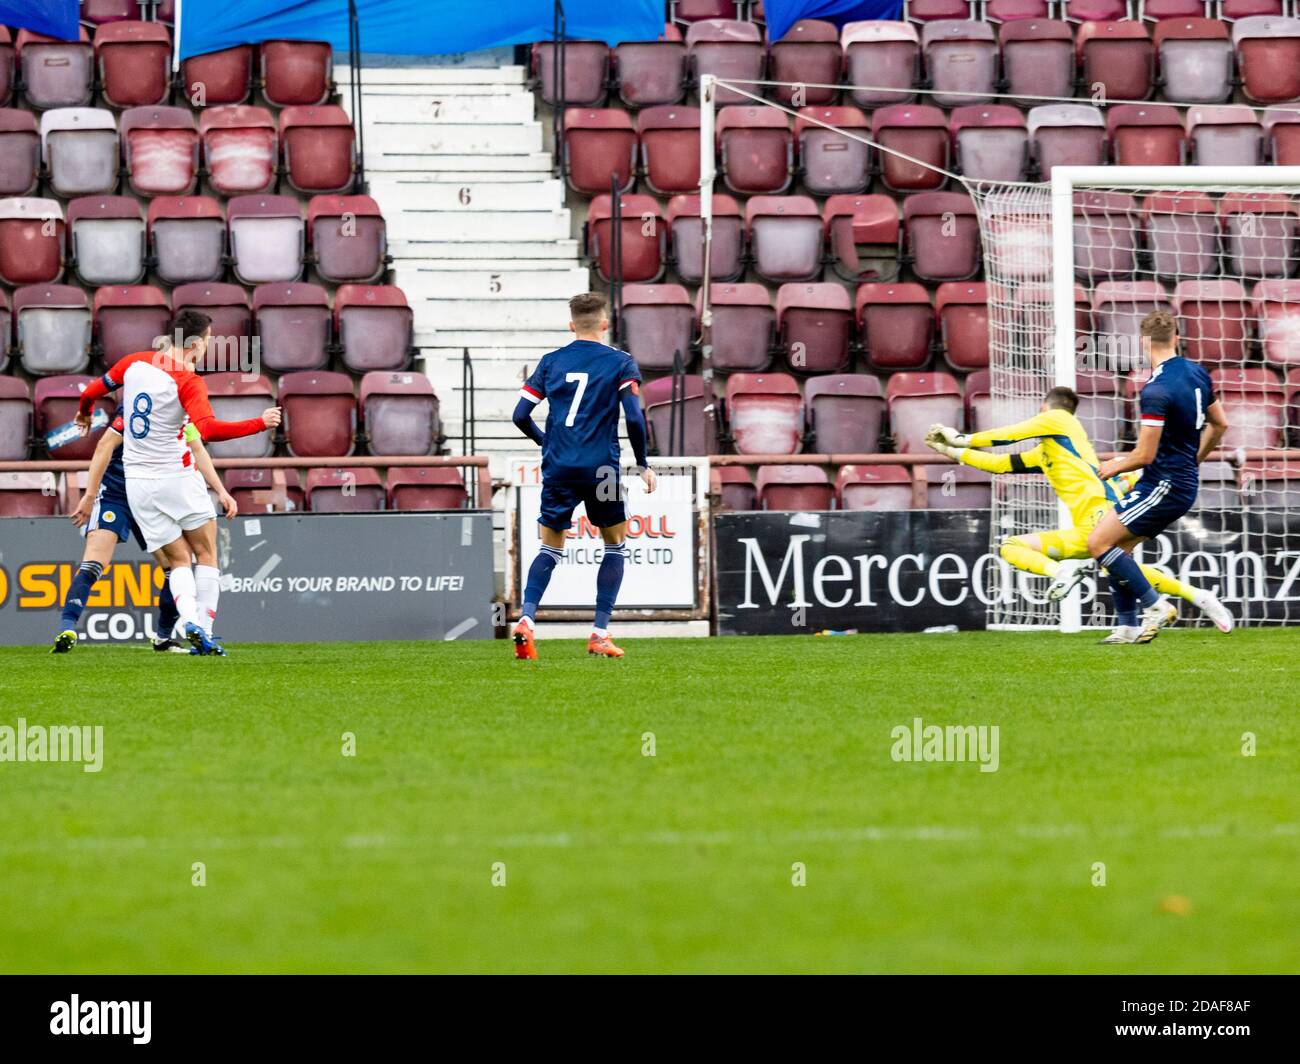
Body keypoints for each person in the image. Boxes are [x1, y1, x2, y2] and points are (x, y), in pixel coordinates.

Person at [926, 384, 1232, 643]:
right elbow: (1000, 464)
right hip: (1091, 522)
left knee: (1031, 549)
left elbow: (1010, 434)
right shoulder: (1048, 452)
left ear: (1046, 409)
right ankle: (1177, 605)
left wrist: (961, 438)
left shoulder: (1058, 418)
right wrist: (951, 453)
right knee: (1111, 565)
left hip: (1099, 517)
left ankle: (1133, 599)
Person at [74, 310, 280, 655]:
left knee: (179, 561)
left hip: (138, 484)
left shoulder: (134, 363)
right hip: (176, 477)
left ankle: (188, 622)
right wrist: (260, 422)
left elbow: (93, 391)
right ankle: (204, 628)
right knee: (206, 552)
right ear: (197, 344)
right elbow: (210, 430)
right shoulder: (188, 380)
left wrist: (83, 411)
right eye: (209, 342)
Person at [510, 292, 656, 659]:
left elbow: (519, 415)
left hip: (559, 467)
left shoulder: (551, 362)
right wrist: (642, 462)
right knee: (615, 545)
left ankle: (527, 620)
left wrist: (547, 443)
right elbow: (635, 418)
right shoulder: (620, 363)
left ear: (571, 324)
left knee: (549, 547)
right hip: (602, 469)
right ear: (605, 324)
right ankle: (599, 633)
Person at [1088, 310, 1229, 643]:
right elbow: (1220, 423)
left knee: (1098, 543)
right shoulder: (1198, 373)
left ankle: (1155, 606)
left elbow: (1145, 455)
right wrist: (1194, 459)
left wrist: (1114, 466)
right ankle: (1127, 626)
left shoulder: (1155, 389)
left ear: (1143, 342)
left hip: (1163, 484)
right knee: (1120, 550)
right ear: (1177, 338)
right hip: (1178, 481)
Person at [52, 416, 238, 654]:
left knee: (176, 566)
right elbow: (104, 445)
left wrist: (220, 489)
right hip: (116, 496)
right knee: (94, 562)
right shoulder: (133, 406)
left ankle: (163, 638)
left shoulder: (179, 411)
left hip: (149, 496)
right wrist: (89, 496)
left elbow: (197, 445)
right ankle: (66, 627)